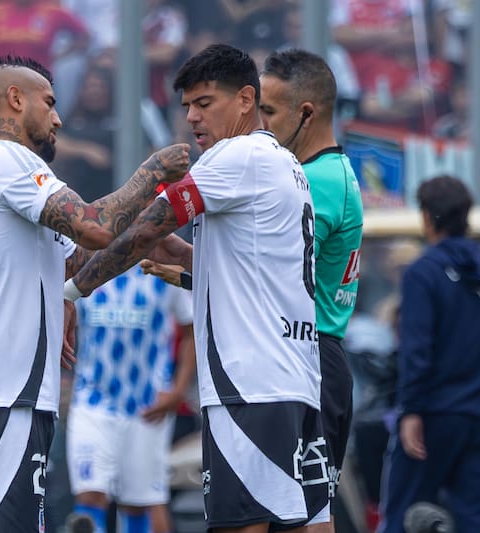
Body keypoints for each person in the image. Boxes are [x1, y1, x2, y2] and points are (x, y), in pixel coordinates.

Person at [65, 43, 329, 532]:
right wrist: (187, 258)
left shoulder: (235, 155)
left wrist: (71, 292)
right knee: (309, 527)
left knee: (237, 526)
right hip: (295, 380)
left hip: (248, 386)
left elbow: (143, 228)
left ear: (246, 99)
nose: (191, 117)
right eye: (187, 106)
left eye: (204, 103)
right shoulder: (284, 163)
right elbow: (251, 267)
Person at [0, 54, 189, 532]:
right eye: (49, 103)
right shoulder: (3, 158)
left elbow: (80, 257)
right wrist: (154, 170)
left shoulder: (0, 175)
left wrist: (144, 235)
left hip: (8, 397)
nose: (58, 119)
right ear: (15, 99)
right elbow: (95, 225)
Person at [377, 176, 480, 533]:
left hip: (433, 416)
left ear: (427, 217)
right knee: (476, 523)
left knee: (405, 517)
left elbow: (416, 351)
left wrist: (411, 410)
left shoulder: (422, 273)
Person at [259, 49, 363, 532]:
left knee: (305, 519)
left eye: (268, 111)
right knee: (305, 514)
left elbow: (275, 276)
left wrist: (189, 269)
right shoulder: (332, 172)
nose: (260, 126)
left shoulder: (314, 180)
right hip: (318, 356)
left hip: (311, 357)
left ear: (306, 112)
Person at [66, 266, 195, 533]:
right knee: (90, 495)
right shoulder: (88, 264)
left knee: (139, 505)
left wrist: (178, 390)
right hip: (92, 402)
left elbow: (191, 329)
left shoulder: (158, 267)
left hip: (147, 407)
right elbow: (61, 312)